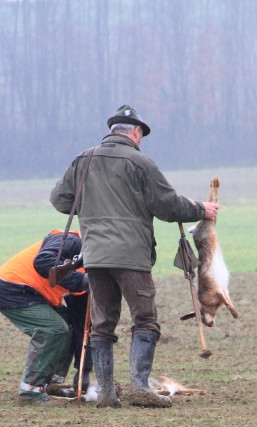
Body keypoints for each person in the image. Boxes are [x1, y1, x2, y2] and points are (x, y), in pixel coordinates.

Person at [50, 105, 219, 408]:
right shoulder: (140, 162)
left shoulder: (83, 160)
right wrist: (200, 209)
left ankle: (106, 393)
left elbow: (61, 200)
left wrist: (93, 209)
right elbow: (167, 206)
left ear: (113, 129)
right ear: (137, 132)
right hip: (131, 256)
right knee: (145, 320)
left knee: (102, 323)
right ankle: (140, 386)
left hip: (95, 257)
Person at [0, 229, 91, 404]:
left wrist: (84, 371)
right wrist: (81, 281)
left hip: (35, 294)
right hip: (12, 287)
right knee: (53, 329)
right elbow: (43, 261)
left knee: (69, 326)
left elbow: (82, 325)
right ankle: (30, 391)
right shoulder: (72, 241)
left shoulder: (93, 273)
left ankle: (50, 385)